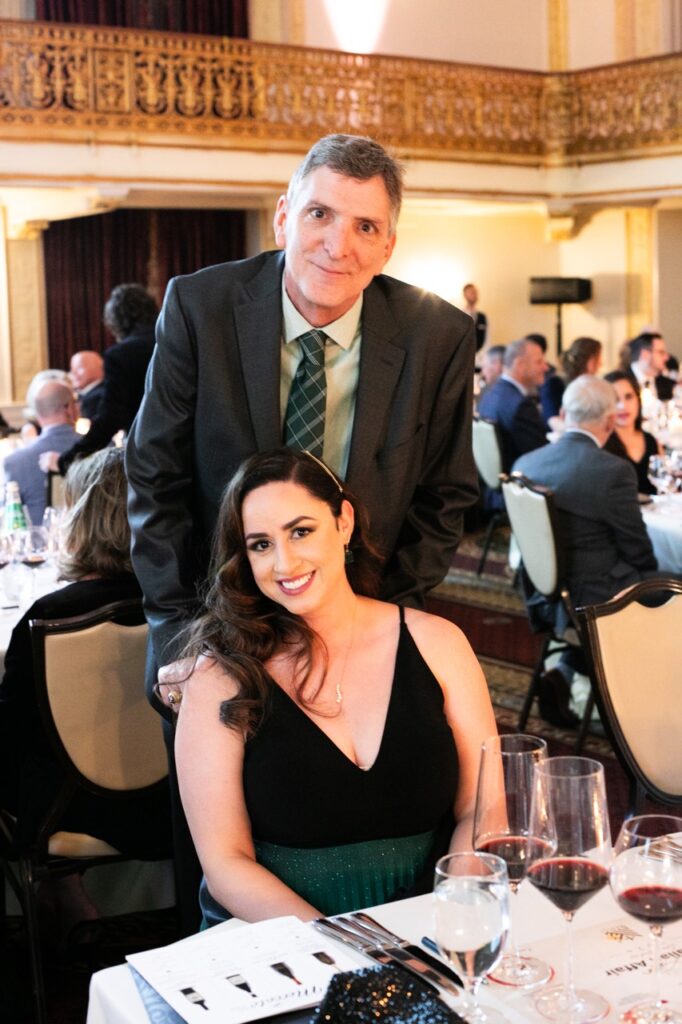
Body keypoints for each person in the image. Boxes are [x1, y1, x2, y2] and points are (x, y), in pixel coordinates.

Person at [127, 134, 478, 688]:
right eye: (320, 213)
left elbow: (443, 496)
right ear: (284, 218)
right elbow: (154, 478)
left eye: (366, 226)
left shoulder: (438, 337)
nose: (339, 246)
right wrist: (180, 631)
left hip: (363, 628)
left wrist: (383, 625)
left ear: (388, 247)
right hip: (215, 628)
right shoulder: (201, 309)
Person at [174, 448, 497, 924]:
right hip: (282, 945)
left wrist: (456, 906)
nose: (284, 563)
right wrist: (349, 949)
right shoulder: (217, 676)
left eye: (301, 531)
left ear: (343, 523)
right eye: (261, 544)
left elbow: (485, 805)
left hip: (433, 925)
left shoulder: (438, 643)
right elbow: (225, 865)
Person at [0, 447, 171, 864]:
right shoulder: (177, 608)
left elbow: (13, 734)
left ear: (83, 517)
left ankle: (53, 901)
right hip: (174, 804)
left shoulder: (52, 614)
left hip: (67, 810)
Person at [513, 376, 659, 724]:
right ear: (610, 422)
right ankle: (649, 707)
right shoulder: (613, 472)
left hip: (546, 595)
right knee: (671, 585)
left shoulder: (525, 464)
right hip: (598, 598)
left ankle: (563, 671)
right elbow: (639, 553)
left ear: (563, 413)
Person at [41, 284, 158, 475]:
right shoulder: (172, 341)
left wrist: (66, 460)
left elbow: (110, 419)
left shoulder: (121, 355)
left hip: (150, 457)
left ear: (115, 320)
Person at [477, 336, 548, 496]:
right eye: (539, 361)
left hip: (489, 490)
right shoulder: (520, 406)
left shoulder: (490, 394)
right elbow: (542, 458)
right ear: (520, 364)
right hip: (515, 493)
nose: (545, 367)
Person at [3, 380, 79, 525]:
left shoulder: (15, 462)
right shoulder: (101, 450)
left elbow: (8, 522)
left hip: (39, 545)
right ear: (69, 408)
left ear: (37, 414)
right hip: (93, 544)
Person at [603, 370, 663, 495]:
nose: (622, 406)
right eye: (615, 399)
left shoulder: (651, 441)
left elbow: (664, 484)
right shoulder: (601, 444)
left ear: (638, 399)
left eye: (628, 397)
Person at [629, 331, 675, 401]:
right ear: (645, 354)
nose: (667, 357)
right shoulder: (622, 381)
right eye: (661, 352)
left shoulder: (666, 384)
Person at [70, 349, 105, 420]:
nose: (73, 373)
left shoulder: (102, 395)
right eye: (72, 369)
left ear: (97, 367)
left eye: (79, 368)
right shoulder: (78, 395)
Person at [462, 282, 487, 352]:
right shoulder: (460, 316)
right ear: (465, 295)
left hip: (479, 358)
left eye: (475, 292)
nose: (474, 295)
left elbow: (487, 340)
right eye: (471, 292)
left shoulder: (482, 317)